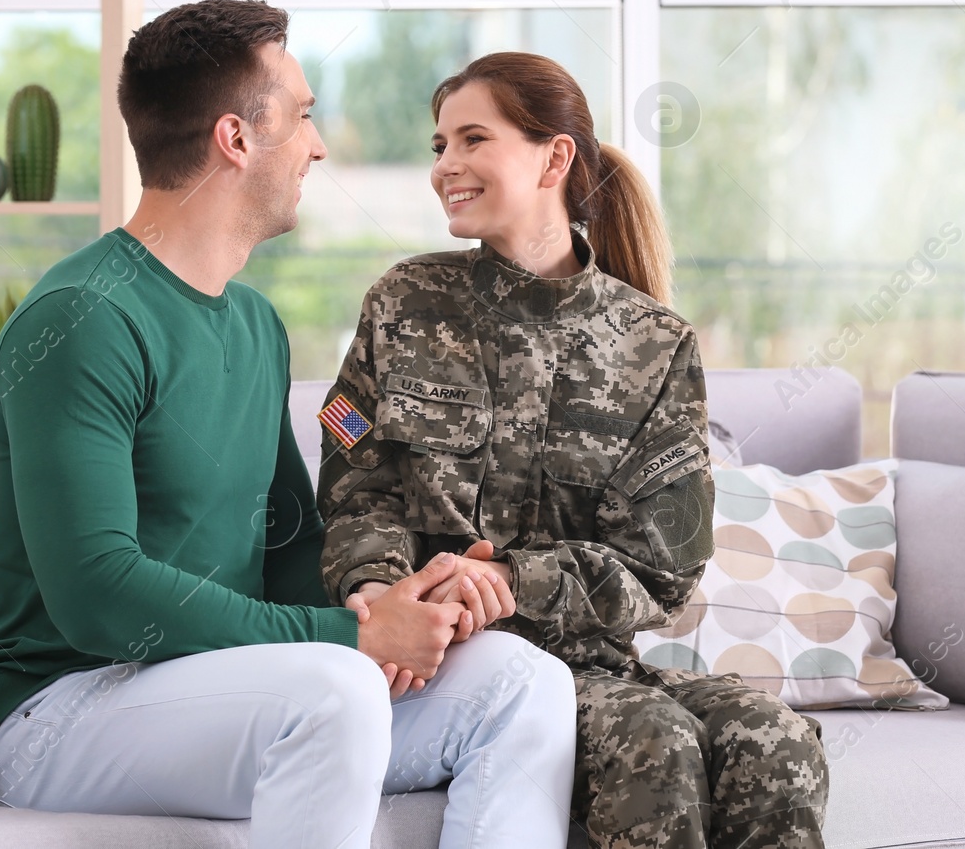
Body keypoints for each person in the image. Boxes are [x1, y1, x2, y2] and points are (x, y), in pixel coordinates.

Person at [0, 1, 577, 849]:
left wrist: (394, 601)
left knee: (525, 680)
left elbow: (290, 540)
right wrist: (352, 634)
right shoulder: (82, 317)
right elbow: (97, 594)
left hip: (225, 687)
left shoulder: (255, 324)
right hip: (62, 711)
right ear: (235, 139)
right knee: (336, 689)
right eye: (301, 117)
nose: (318, 146)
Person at [317, 51, 829, 848]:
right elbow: (353, 482)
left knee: (779, 744)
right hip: (450, 666)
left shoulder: (656, 346)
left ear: (554, 155)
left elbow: (665, 564)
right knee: (652, 739)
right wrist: (386, 592)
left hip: (594, 664)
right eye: (438, 145)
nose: (445, 166)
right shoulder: (402, 303)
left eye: (471, 139)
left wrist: (511, 577)